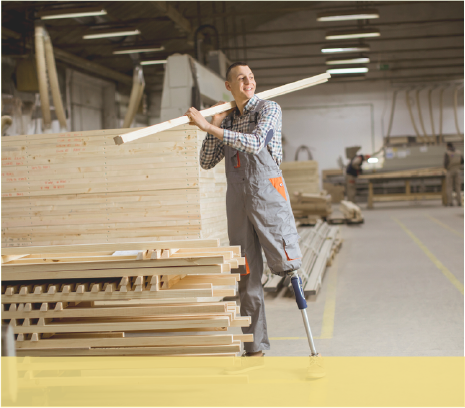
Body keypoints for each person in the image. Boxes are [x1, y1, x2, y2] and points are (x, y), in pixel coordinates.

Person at [184, 62, 302, 357]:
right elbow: (206, 160)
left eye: (251, 77)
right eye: (241, 78)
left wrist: (208, 125)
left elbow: (256, 142)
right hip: (238, 202)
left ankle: (310, 337)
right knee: (246, 274)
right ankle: (254, 348)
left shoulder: (268, 109)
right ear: (229, 86)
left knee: (289, 265)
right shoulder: (226, 121)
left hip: (268, 196)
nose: (248, 82)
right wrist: (216, 122)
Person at [444, 142, 463, 206]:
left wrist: (447, 168)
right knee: (458, 187)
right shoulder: (458, 152)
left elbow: (445, 163)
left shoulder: (447, 153)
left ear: (447, 146)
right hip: (457, 171)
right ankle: (459, 202)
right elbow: (462, 161)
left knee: (449, 187)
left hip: (450, 171)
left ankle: (450, 202)